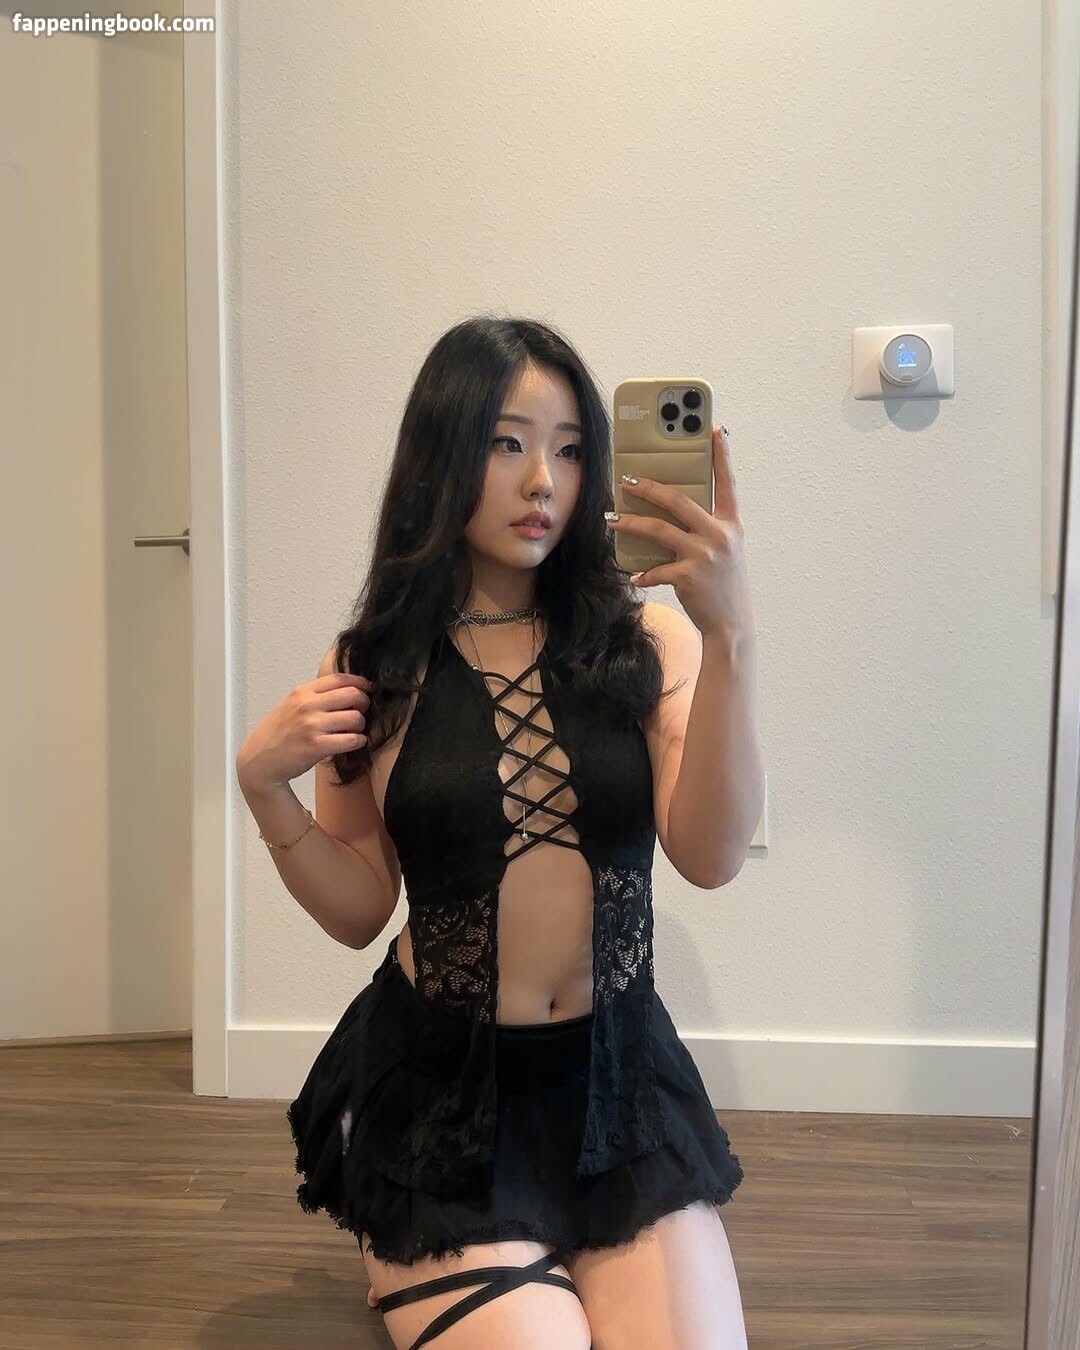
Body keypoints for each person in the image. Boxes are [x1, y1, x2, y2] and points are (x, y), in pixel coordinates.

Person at [236, 316, 753, 1349]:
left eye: (570, 448)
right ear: (444, 454)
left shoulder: (646, 639)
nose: (542, 481)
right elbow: (360, 908)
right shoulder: (377, 660)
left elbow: (710, 855)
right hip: (446, 1105)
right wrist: (263, 789)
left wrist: (731, 633)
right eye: (507, 442)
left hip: (616, 1092)